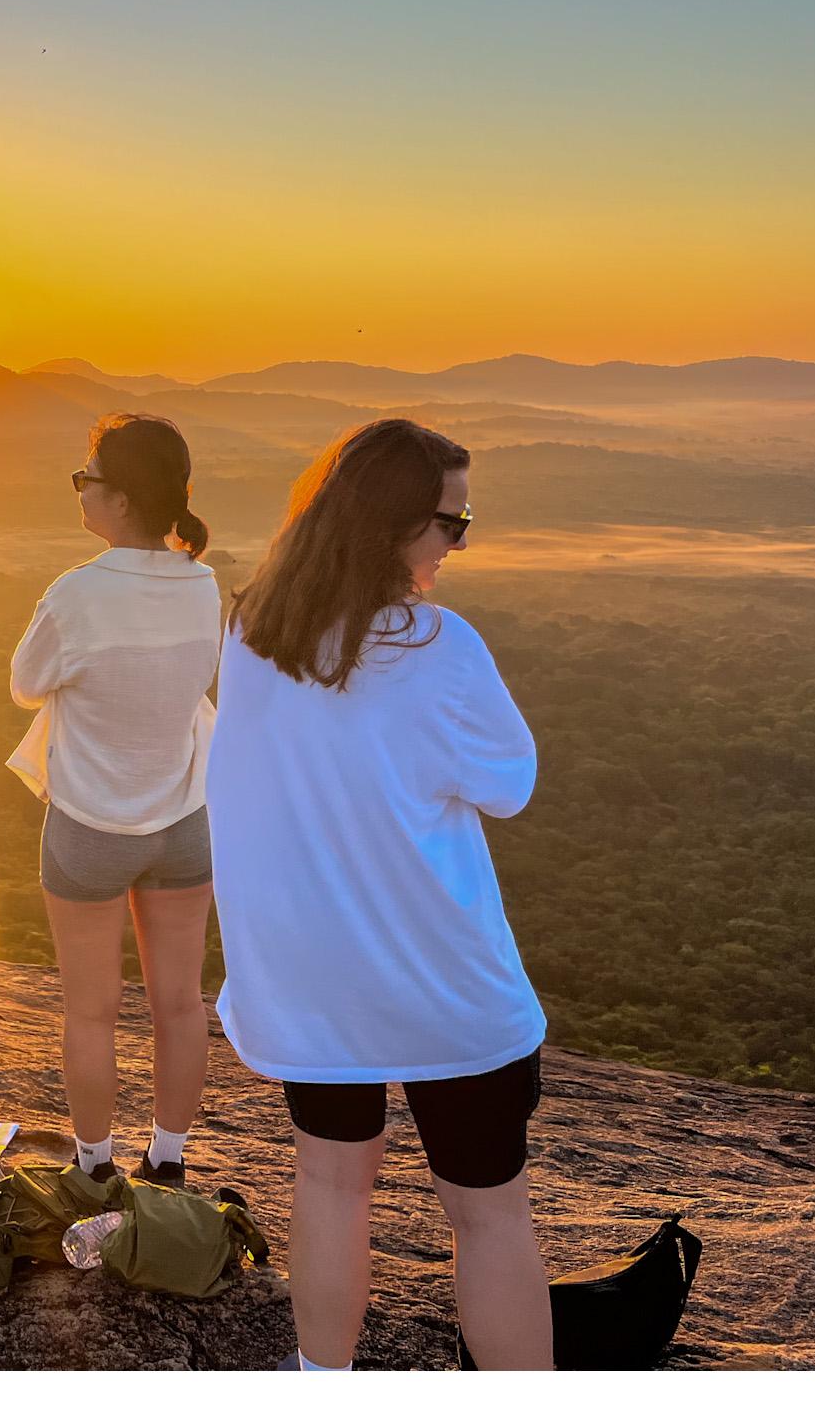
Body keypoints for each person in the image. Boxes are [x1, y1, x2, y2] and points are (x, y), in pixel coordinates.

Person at [206, 418, 551, 1371]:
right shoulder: (440, 646)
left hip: (311, 984)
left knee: (329, 1183)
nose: (458, 543)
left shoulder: (251, 630)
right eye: (451, 522)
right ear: (391, 526)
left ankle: (321, 1377)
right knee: (488, 1218)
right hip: (445, 983)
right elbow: (510, 785)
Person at [7, 414, 221, 1188]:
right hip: (186, 820)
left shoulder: (77, 593)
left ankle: (93, 1168)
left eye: (86, 478)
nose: (81, 491)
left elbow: (26, 684)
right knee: (180, 1003)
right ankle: (168, 1159)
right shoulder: (202, 582)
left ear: (124, 499)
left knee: (91, 1011)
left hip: (92, 827)